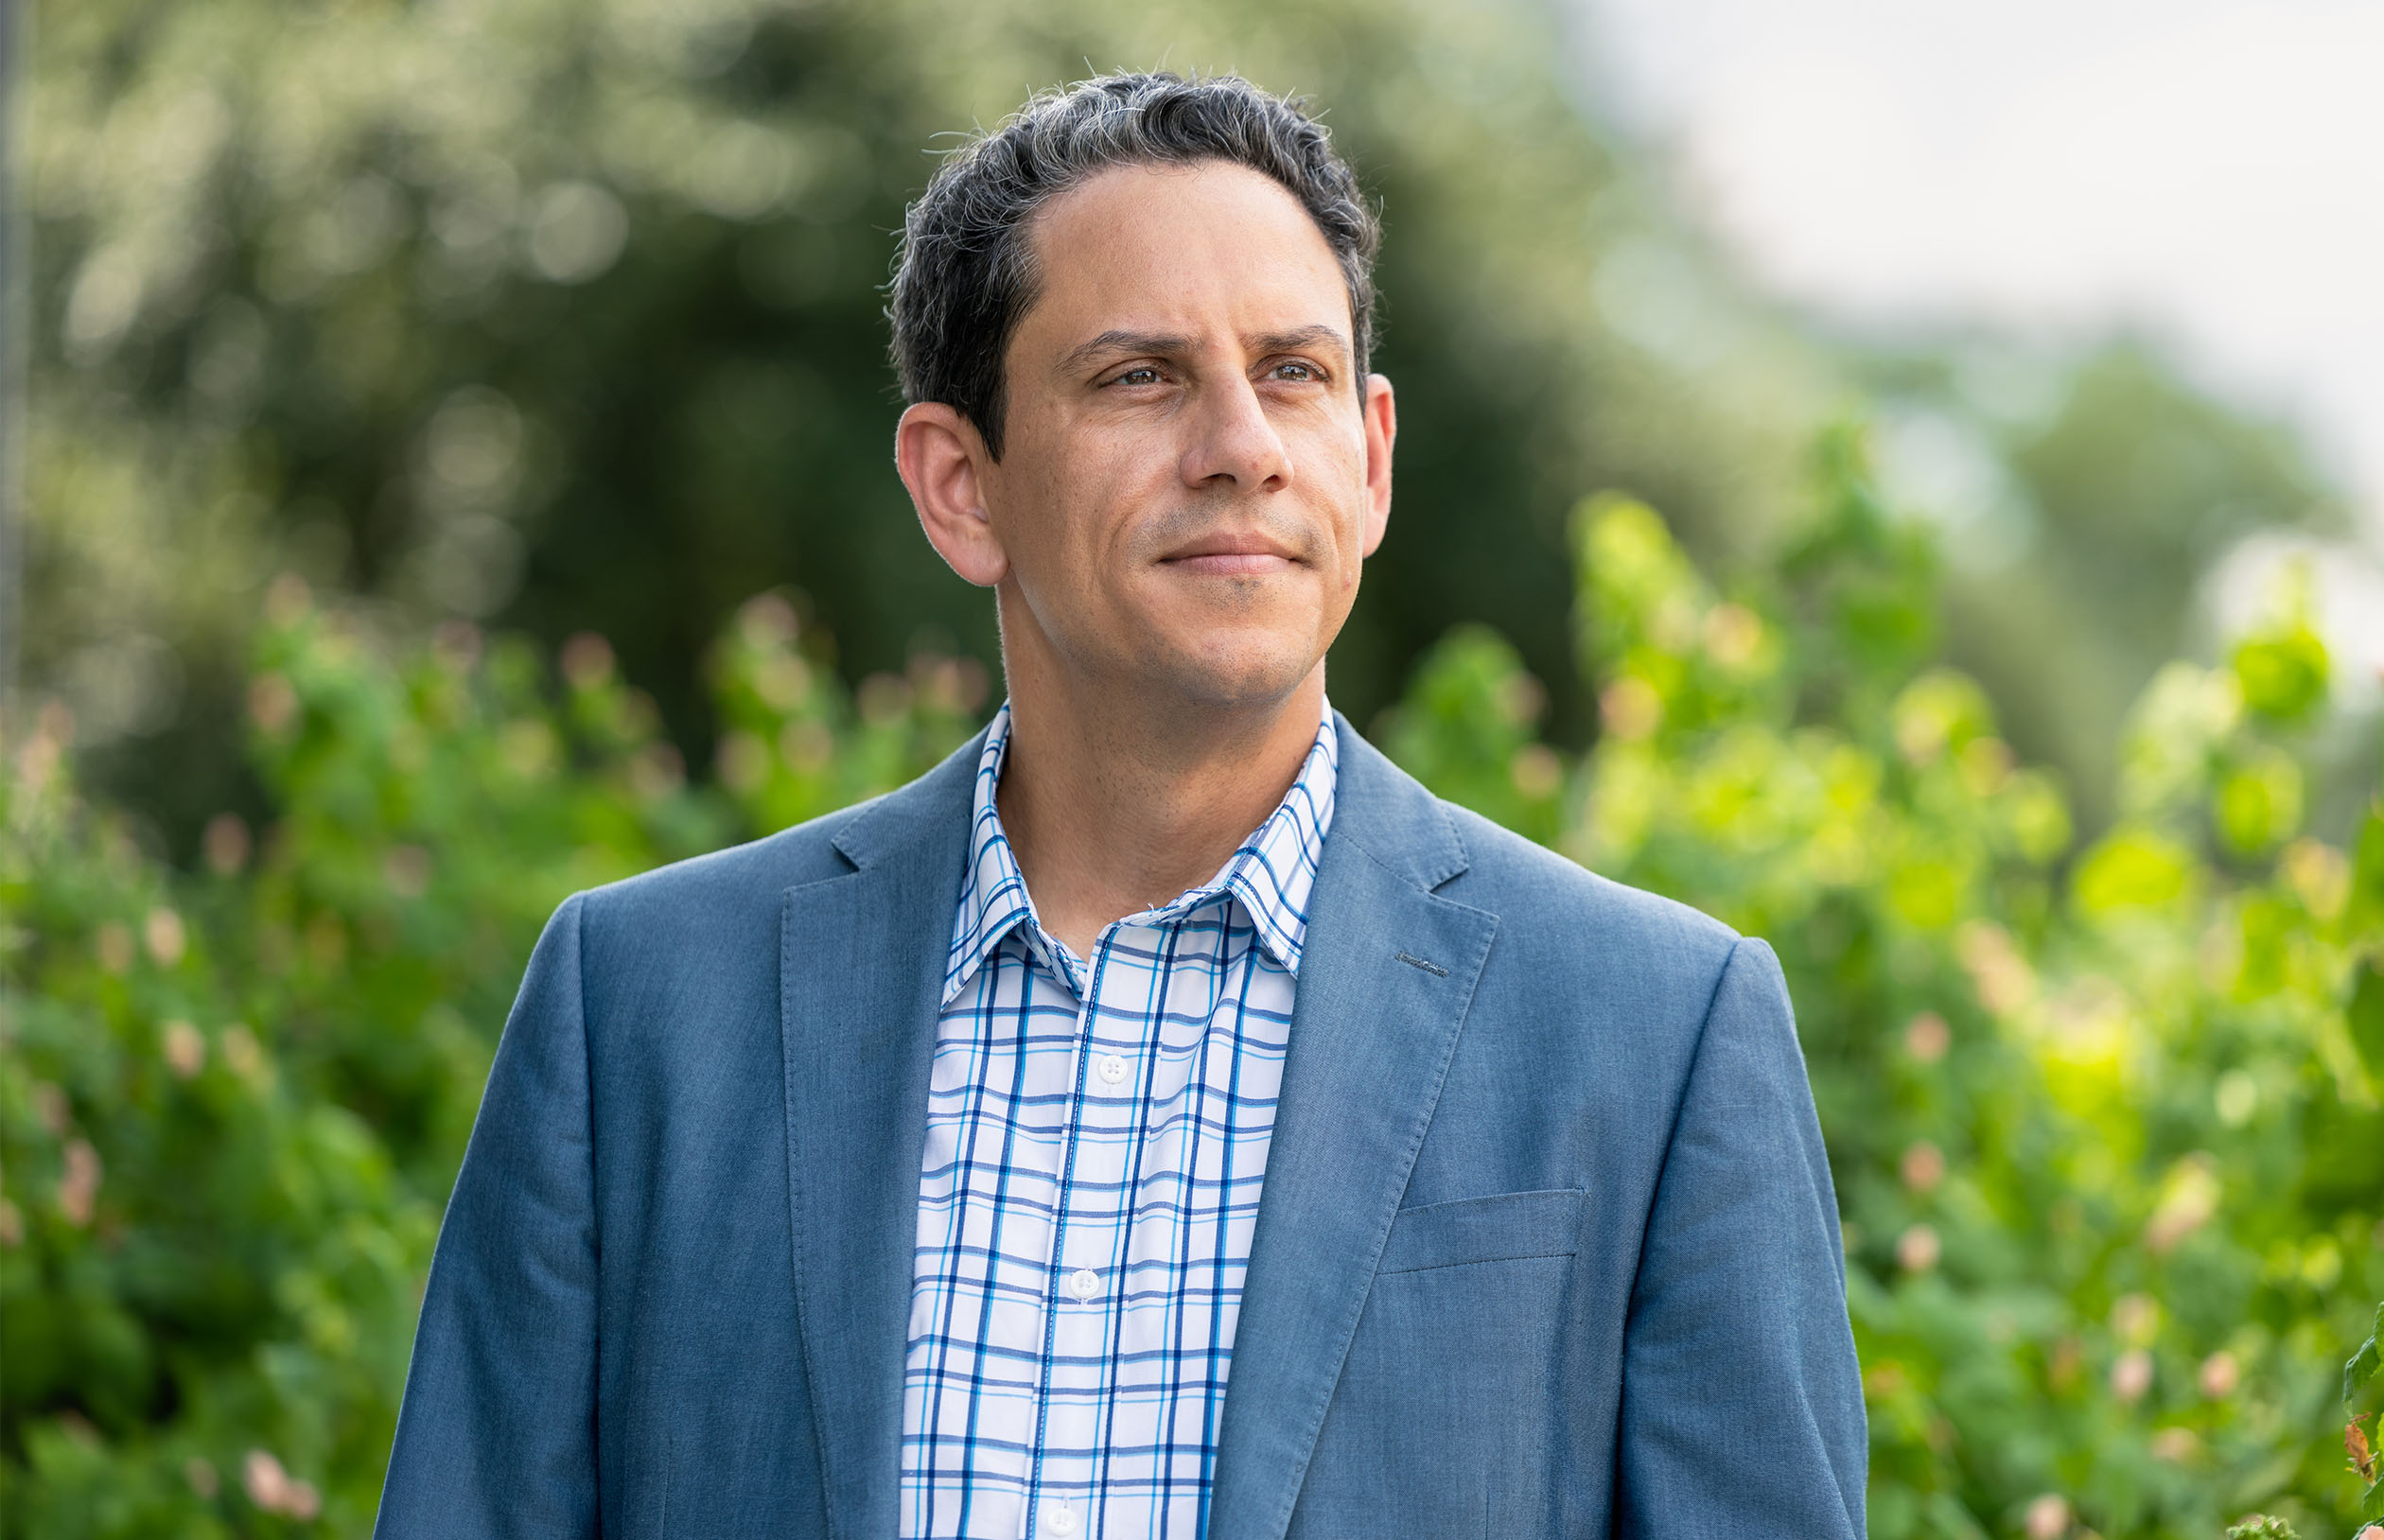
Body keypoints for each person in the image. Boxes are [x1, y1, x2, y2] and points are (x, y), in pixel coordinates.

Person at [374, 71, 1865, 1540]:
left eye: (1294, 372)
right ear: (961, 486)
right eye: (1140, 376)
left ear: (1373, 456)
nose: (1240, 445)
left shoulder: (1658, 1034)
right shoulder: (637, 1010)